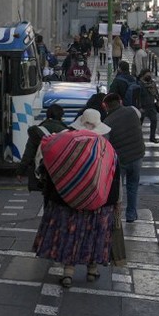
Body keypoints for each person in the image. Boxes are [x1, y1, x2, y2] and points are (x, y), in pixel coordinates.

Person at [32, 109, 119, 287]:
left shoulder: (66, 143)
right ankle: (92, 270)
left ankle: (68, 273)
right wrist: (117, 201)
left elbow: (48, 166)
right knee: (94, 234)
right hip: (100, 203)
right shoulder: (106, 148)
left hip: (67, 201)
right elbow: (115, 176)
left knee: (71, 235)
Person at [103, 92, 146, 223]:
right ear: (120, 102)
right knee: (133, 187)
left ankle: (115, 217)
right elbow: (140, 117)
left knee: (117, 190)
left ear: (106, 106)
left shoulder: (107, 122)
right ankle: (131, 215)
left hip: (120, 160)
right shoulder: (132, 110)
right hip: (137, 155)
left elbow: (106, 143)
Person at [15, 104, 67, 188]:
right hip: (60, 170)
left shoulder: (37, 131)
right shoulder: (67, 132)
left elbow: (28, 153)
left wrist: (20, 171)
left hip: (43, 169)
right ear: (61, 117)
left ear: (47, 115)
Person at [137, 69, 159, 143]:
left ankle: (152, 137)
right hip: (143, 107)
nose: (149, 76)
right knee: (139, 124)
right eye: (147, 74)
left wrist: (158, 100)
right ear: (143, 75)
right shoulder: (139, 84)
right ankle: (137, 138)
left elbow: (156, 92)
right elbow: (138, 97)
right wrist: (140, 107)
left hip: (151, 106)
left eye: (150, 74)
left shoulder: (152, 83)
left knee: (154, 121)